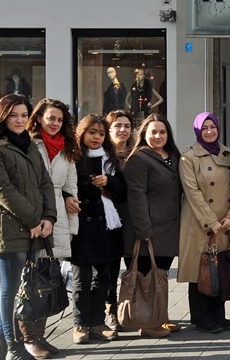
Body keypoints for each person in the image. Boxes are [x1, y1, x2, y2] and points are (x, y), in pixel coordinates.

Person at [0, 94, 56, 360]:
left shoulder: (31, 145)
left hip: (36, 225)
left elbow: (45, 182)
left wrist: (48, 217)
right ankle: (13, 348)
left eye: (24, 115)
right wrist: (34, 219)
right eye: (14, 115)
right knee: (10, 289)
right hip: (10, 226)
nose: (20, 120)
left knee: (23, 286)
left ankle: (0, 343)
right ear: (2, 117)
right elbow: (2, 190)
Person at [178, 112, 230, 333]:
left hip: (226, 221)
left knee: (221, 267)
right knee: (201, 270)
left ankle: (218, 314)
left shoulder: (229, 154)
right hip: (200, 223)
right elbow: (192, 192)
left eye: (213, 127)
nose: (209, 131)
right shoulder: (188, 158)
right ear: (197, 130)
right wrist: (211, 221)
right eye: (204, 128)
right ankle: (201, 317)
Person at [25, 98, 80, 355]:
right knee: (30, 280)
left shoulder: (67, 148)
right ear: (38, 119)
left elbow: (72, 188)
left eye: (59, 119)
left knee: (47, 280)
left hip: (57, 214)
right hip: (33, 214)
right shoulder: (28, 144)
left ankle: (40, 336)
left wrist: (72, 226)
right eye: (51, 118)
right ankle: (28, 339)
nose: (55, 123)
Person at [123, 114, 183, 338]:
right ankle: (146, 323)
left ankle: (160, 317)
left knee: (160, 277)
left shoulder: (172, 157)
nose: (158, 136)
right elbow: (136, 196)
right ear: (144, 135)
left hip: (167, 229)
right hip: (147, 230)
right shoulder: (139, 159)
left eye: (162, 132)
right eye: (153, 132)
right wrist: (143, 229)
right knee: (145, 279)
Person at [71, 115, 127, 346]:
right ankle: (80, 324)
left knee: (103, 277)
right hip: (82, 226)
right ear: (82, 133)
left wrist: (109, 182)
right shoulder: (73, 159)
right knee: (81, 279)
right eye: (91, 132)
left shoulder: (110, 160)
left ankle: (96, 322)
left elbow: (123, 193)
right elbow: (65, 187)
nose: (96, 137)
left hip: (107, 226)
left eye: (101, 133)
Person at [102, 110, 134, 332]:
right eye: (117, 126)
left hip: (131, 216)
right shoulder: (100, 154)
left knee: (134, 266)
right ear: (108, 129)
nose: (123, 130)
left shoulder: (137, 153)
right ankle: (110, 311)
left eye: (127, 126)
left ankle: (134, 310)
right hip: (107, 218)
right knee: (110, 268)